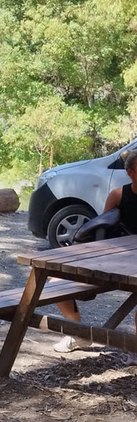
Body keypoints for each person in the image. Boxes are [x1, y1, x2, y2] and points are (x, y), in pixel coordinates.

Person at [53, 149, 137, 361]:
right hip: (116, 261)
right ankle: (78, 332)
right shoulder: (118, 195)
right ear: (130, 172)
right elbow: (102, 227)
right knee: (54, 281)